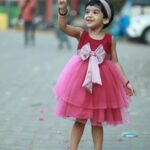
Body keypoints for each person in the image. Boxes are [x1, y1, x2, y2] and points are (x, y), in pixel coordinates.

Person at [53, 0, 136, 150]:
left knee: (97, 121)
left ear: (105, 19)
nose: (89, 15)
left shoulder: (110, 39)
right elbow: (63, 26)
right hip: (81, 82)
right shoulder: (81, 33)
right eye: (87, 12)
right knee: (80, 119)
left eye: (95, 12)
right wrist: (63, 10)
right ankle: (73, 148)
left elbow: (115, 62)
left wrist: (126, 82)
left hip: (101, 84)